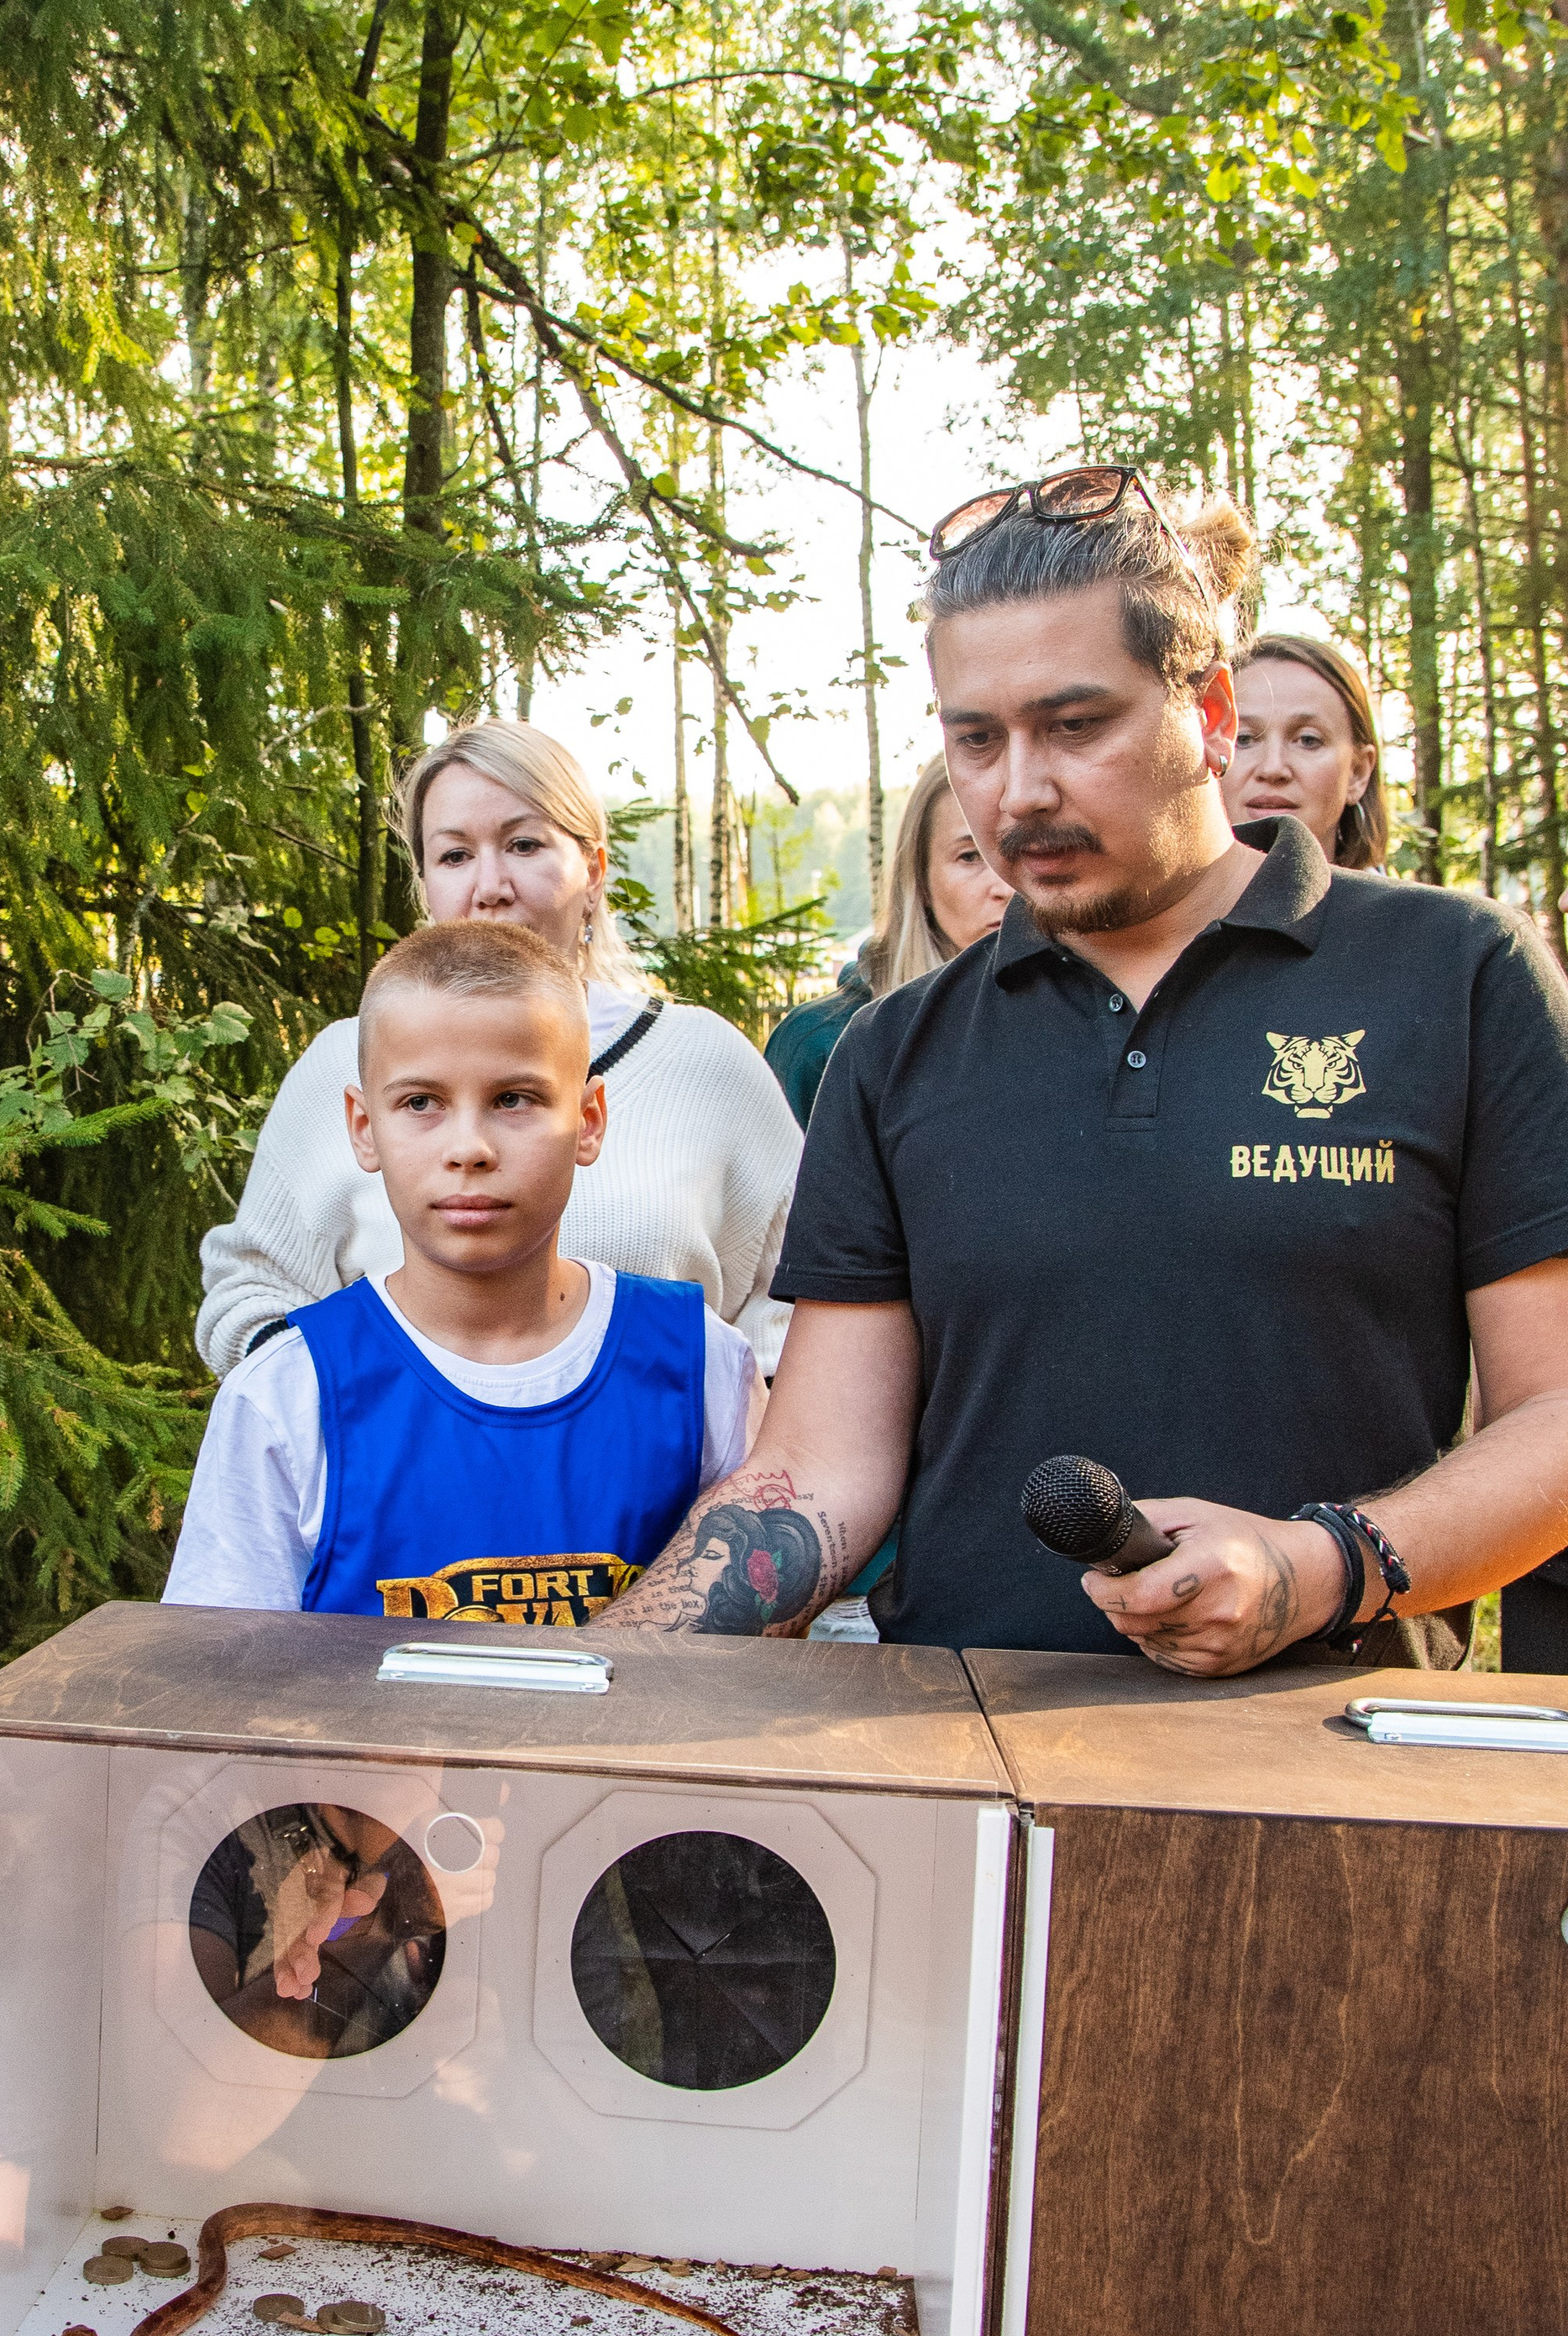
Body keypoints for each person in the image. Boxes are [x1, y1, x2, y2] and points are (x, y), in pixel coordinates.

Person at [603, 464, 1568, 1677]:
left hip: (1340, 1779)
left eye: (1076, 725)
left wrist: (1317, 1568)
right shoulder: (894, 1054)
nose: (1021, 791)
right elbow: (824, 1476)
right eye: (977, 739)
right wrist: (595, 1679)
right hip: (960, 1771)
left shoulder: (1458, 975)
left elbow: (1556, 1421)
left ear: (1210, 715)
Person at [165, 919, 759, 1620]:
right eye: (421, 1103)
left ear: (589, 1119)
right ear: (364, 1128)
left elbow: (756, 1644)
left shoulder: (703, 1365)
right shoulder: (288, 1397)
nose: (469, 1148)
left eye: (515, 1099)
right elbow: (225, 1677)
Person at [197, 719, 802, 1374]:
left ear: (592, 871)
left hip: (665, 1471)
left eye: (523, 844)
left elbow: (798, 1301)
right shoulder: (345, 1066)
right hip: (405, 1472)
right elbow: (250, 1292)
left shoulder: (706, 1062)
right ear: (425, 881)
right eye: (455, 855)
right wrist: (370, 1408)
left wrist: (736, 1449)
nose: (490, 887)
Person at [764, 757, 1011, 1126]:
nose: (1006, 887)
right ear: (921, 880)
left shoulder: (1090, 1026)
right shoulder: (822, 1047)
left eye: (1023, 849)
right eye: (970, 856)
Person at [1228, 630, 1387, 868]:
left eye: (1308, 740)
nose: (1273, 768)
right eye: (1244, 739)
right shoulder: (1162, 904)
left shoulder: (1417, 906)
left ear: (1358, 773)